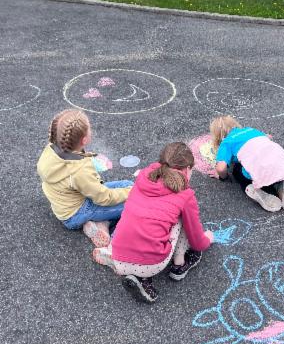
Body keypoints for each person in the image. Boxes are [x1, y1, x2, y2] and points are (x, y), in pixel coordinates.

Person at [100, 142, 213, 304]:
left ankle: (140, 277)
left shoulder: (143, 179)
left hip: (118, 256)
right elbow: (196, 240)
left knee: (140, 217)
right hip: (152, 263)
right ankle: (179, 264)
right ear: (188, 169)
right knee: (183, 218)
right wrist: (208, 238)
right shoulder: (184, 194)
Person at [37, 110, 132, 248]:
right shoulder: (80, 170)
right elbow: (103, 197)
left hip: (66, 205)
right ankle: (112, 248)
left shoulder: (51, 149)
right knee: (135, 203)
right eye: (89, 129)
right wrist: (131, 193)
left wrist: (89, 159)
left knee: (127, 184)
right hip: (76, 214)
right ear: (84, 140)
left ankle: (101, 224)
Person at [209, 116, 284, 212]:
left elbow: (221, 168)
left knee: (237, 171)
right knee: (270, 164)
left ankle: (259, 193)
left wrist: (223, 177)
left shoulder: (226, 142)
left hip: (260, 170)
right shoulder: (251, 130)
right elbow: (268, 137)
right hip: (283, 163)